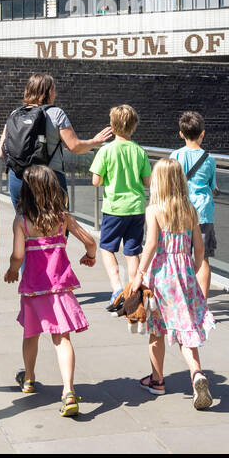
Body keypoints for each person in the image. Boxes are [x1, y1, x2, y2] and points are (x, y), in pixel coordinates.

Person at [3, 165, 97, 417]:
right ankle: (68, 390)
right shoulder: (62, 218)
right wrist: (90, 256)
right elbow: (90, 241)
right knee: (62, 339)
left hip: (34, 289)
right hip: (60, 287)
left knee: (30, 334)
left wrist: (13, 270)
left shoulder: (22, 221)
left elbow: (17, 255)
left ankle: (30, 378)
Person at [131, 158, 215, 409]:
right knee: (186, 330)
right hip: (184, 275)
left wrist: (139, 274)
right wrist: (192, 268)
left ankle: (157, 381)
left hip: (162, 277)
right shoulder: (190, 209)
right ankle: (197, 373)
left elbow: (151, 245)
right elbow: (199, 249)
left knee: (157, 329)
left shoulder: (154, 210)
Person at [0, 73, 112, 211]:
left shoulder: (15, 114)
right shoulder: (56, 113)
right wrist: (95, 141)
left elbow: (1, 150)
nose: (56, 94)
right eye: (53, 90)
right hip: (50, 178)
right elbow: (74, 146)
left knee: (24, 223)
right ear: (47, 92)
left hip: (18, 178)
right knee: (57, 225)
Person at [89, 104, 151, 313]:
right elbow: (148, 181)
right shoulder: (139, 151)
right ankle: (133, 291)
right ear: (133, 127)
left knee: (107, 247)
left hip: (114, 208)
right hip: (136, 207)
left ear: (112, 126)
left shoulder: (106, 150)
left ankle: (117, 288)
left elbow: (96, 181)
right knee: (132, 251)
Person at [169, 111, 217, 299]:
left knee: (180, 255)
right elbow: (212, 185)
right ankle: (202, 303)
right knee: (203, 258)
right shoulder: (209, 159)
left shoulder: (175, 155)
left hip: (180, 212)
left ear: (181, 134)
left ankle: (182, 298)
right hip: (203, 213)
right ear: (202, 133)